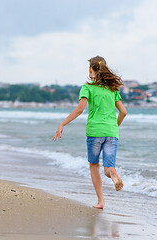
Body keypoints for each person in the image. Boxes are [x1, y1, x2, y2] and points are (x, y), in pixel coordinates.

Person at [52, 56, 127, 209]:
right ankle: (113, 174)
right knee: (109, 167)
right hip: (111, 132)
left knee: (94, 165)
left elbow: (80, 109)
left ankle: (101, 201)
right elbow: (124, 112)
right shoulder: (112, 89)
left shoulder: (87, 87)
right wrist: (114, 127)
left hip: (95, 132)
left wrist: (62, 124)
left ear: (90, 69)